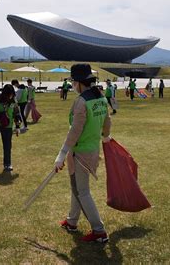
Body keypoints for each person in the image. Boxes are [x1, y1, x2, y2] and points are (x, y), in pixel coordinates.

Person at [54, 63, 111, 243]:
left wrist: (61, 155)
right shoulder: (100, 97)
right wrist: (106, 136)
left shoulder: (82, 101)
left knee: (83, 191)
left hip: (81, 152)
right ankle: (72, 221)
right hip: (92, 149)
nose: (71, 85)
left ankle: (99, 231)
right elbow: (107, 121)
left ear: (79, 82)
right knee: (76, 187)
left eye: (72, 81)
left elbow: (75, 131)